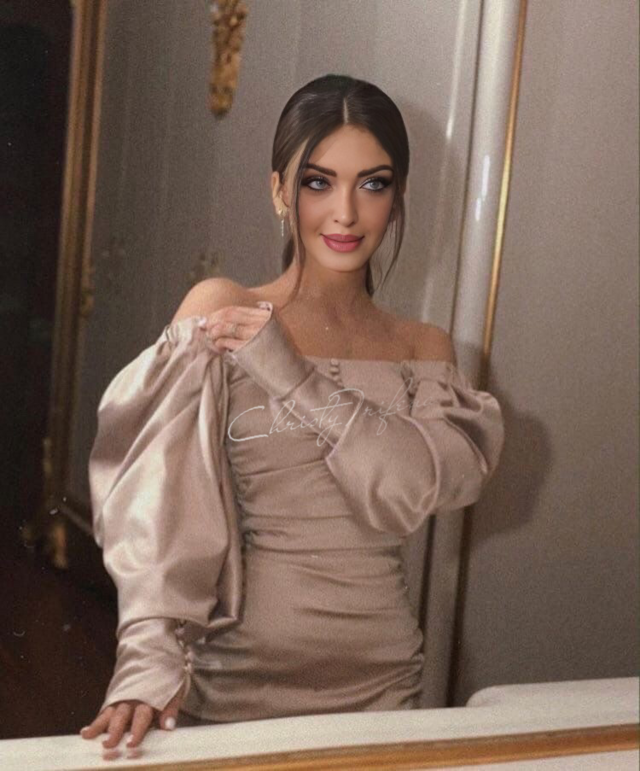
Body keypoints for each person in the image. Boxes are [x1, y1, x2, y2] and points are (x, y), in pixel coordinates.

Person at [80, 74, 505, 753]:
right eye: (318, 182)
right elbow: (159, 503)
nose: (345, 212)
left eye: (372, 184)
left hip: (380, 684)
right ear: (279, 190)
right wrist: (146, 660)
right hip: (234, 683)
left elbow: (410, 491)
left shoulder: (422, 349)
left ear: (397, 198)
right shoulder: (222, 309)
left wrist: (292, 376)